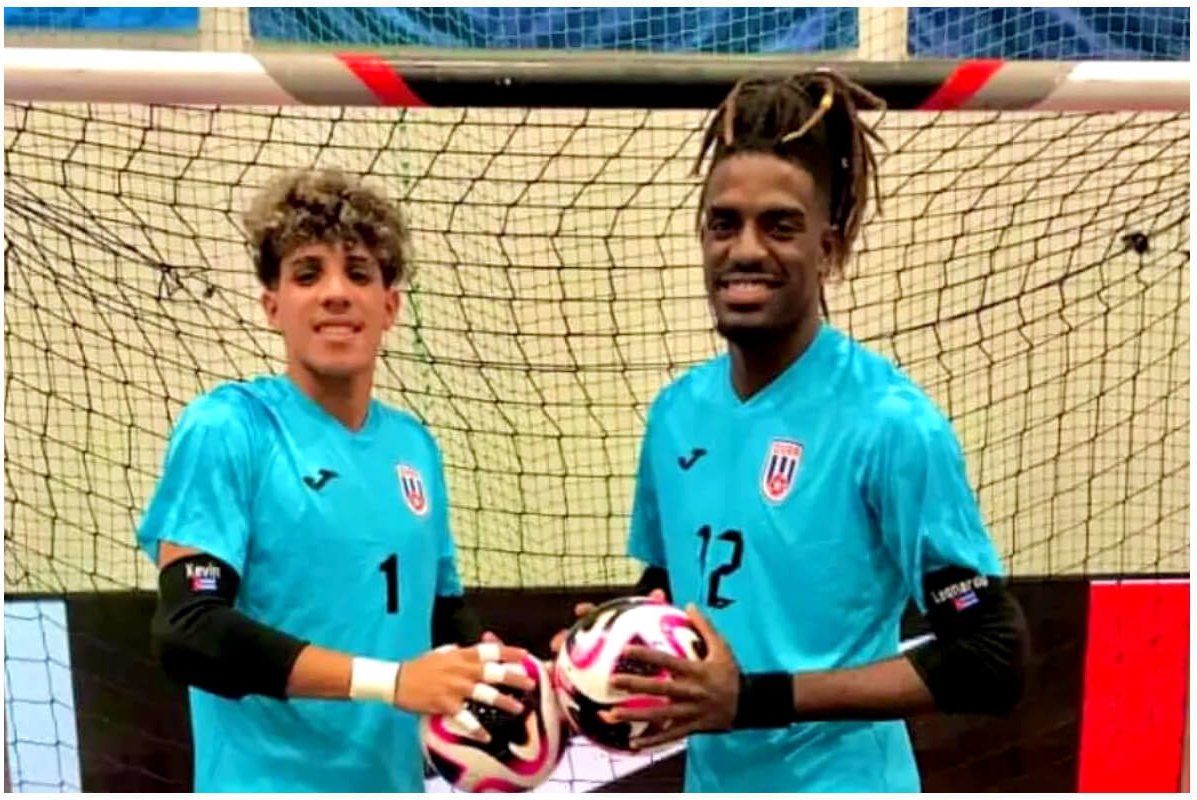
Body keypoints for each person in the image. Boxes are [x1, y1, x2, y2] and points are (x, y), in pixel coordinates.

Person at [581, 71, 1030, 792]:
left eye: (779, 226)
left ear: (829, 245)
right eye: (724, 223)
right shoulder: (675, 414)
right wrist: (608, 637)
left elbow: (992, 652)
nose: (745, 249)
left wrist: (751, 700)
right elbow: (673, 587)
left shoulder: (890, 423)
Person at [136, 168, 532, 792]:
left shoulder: (414, 447)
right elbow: (190, 629)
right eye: (307, 273)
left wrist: (499, 671)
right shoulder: (230, 428)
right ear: (272, 307)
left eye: (358, 272)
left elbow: (440, 611)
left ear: (390, 306)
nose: (336, 293)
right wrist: (393, 682)